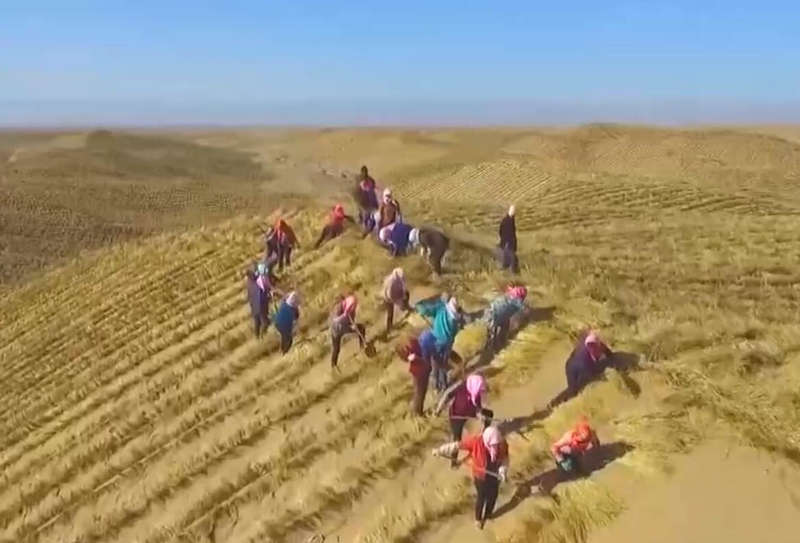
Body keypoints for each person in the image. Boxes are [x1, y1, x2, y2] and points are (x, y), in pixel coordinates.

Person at [432, 422, 509, 530]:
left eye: (496, 444)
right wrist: (440, 450)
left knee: (493, 496)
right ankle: (478, 519)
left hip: (494, 475)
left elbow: (505, 459)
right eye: (493, 445)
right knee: (482, 497)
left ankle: (488, 515)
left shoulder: (502, 444)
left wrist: (503, 471)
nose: (495, 447)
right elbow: (456, 446)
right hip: (480, 476)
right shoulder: (476, 441)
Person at [415, 294, 465, 392]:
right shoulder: (456, 320)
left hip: (435, 342)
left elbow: (425, 311)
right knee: (442, 365)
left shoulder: (440, 308)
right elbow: (454, 334)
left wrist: (419, 307)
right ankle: (443, 385)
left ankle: (436, 385)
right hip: (446, 345)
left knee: (436, 364)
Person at [549, 330, 613, 408]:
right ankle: (556, 404)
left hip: (571, 363)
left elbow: (605, 351)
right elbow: (591, 373)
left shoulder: (587, 342)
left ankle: (554, 403)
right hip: (578, 367)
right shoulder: (587, 357)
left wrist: (610, 356)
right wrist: (601, 378)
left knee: (573, 389)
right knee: (576, 390)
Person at [435, 374, 488, 467]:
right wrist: (438, 410)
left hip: (469, 415)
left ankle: (484, 441)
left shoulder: (476, 392)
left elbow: (478, 408)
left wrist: (480, 416)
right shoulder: (460, 387)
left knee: (488, 415)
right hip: (456, 416)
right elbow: (447, 396)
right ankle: (453, 462)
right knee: (457, 439)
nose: (480, 388)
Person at [482, 285, 528, 355]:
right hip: (495, 315)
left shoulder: (509, 295)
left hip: (493, 311)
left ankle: (495, 347)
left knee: (495, 331)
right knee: (492, 334)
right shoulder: (517, 300)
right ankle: (493, 349)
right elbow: (524, 308)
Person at [395, 333, 433, 415]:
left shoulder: (412, 344)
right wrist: (418, 359)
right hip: (420, 372)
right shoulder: (412, 346)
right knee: (419, 393)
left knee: (420, 393)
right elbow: (416, 359)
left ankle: (417, 411)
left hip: (419, 371)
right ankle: (417, 413)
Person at [329, 294, 367, 368]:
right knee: (336, 349)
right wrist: (350, 327)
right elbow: (341, 323)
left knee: (336, 349)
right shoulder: (340, 310)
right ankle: (333, 366)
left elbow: (351, 318)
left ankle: (333, 365)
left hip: (337, 329)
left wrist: (352, 324)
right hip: (338, 329)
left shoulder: (347, 308)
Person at [382, 267, 411, 337]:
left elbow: (403, 286)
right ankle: (389, 328)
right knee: (390, 313)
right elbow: (390, 295)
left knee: (407, 293)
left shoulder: (400, 277)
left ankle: (406, 306)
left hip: (396, 293)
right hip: (388, 297)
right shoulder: (390, 282)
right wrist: (398, 302)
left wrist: (403, 295)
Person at [245, 269, 270, 339]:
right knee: (266, 322)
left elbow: (248, 297)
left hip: (254, 307)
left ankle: (257, 338)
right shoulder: (257, 283)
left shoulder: (249, 284)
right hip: (260, 306)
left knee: (257, 323)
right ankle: (262, 337)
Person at [498, 205, 519, 273]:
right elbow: (503, 232)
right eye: (513, 211)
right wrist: (506, 241)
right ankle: (511, 274)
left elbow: (500, 231)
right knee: (512, 260)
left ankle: (505, 272)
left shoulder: (509, 220)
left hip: (508, 243)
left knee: (508, 259)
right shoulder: (507, 221)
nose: (514, 212)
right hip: (508, 244)